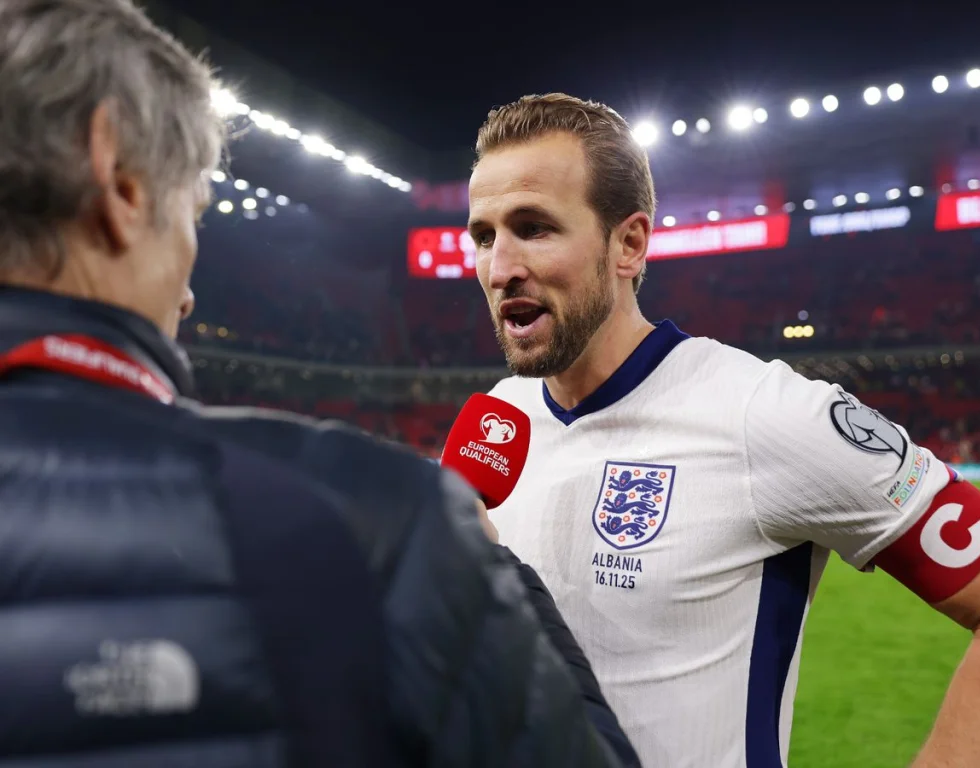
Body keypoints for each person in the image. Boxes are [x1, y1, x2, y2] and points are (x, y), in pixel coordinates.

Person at [0, 4, 640, 766]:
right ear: (120, 182)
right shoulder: (373, 524)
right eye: (192, 212)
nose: (190, 293)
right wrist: (484, 566)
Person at [466, 92, 980, 768]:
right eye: (485, 235)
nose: (500, 268)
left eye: (535, 227)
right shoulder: (492, 423)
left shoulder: (765, 414)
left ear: (630, 243)